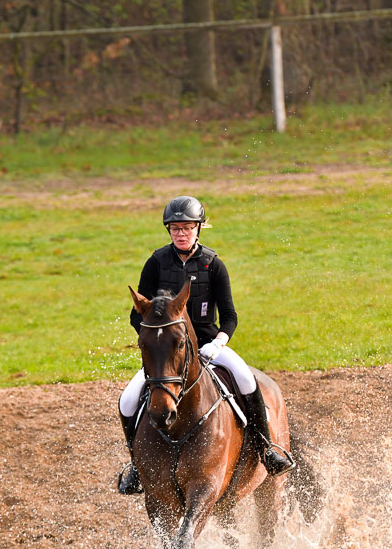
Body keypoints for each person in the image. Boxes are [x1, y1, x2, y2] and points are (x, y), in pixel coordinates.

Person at [118, 195, 295, 494]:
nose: (181, 233)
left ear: (198, 228)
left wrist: (219, 343)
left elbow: (229, 316)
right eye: (175, 229)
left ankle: (266, 449)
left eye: (187, 228)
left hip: (210, 346)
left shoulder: (213, 265)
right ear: (169, 231)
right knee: (127, 400)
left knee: (247, 381)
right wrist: (154, 339)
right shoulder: (156, 263)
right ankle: (136, 466)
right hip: (169, 356)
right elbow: (140, 315)